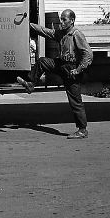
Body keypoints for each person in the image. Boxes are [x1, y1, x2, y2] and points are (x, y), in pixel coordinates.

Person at [17, 9, 93, 139]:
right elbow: (46, 32)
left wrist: (78, 70)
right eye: (60, 20)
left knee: (75, 101)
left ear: (72, 21)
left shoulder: (76, 34)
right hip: (61, 64)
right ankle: (31, 84)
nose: (61, 22)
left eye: (64, 20)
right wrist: (29, 25)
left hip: (71, 69)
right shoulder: (61, 34)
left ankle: (82, 130)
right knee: (42, 62)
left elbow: (88, 54)